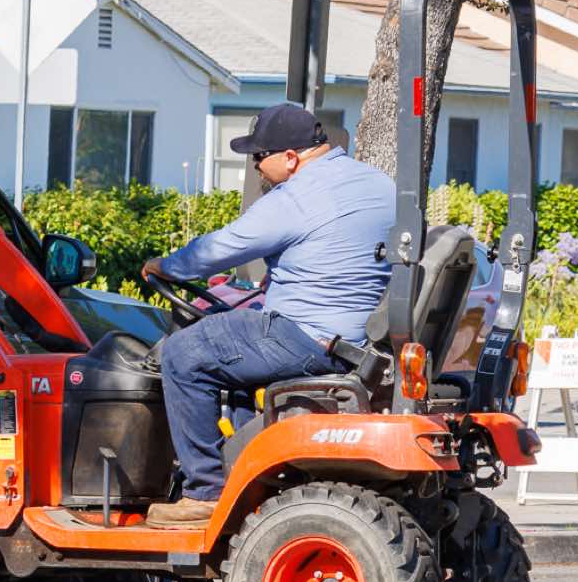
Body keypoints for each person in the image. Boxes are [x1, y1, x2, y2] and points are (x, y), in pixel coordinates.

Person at [137, 103, 395, 529]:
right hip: (355, 341)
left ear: (290, 157)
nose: (256, 166)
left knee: (182, 354)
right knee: (234, 358)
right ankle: (250, 479)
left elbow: (222, 248)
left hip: (304, 337)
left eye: (259, 156)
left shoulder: (296, 196)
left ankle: (204, 493)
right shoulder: (378, 184)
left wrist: (167, 266)